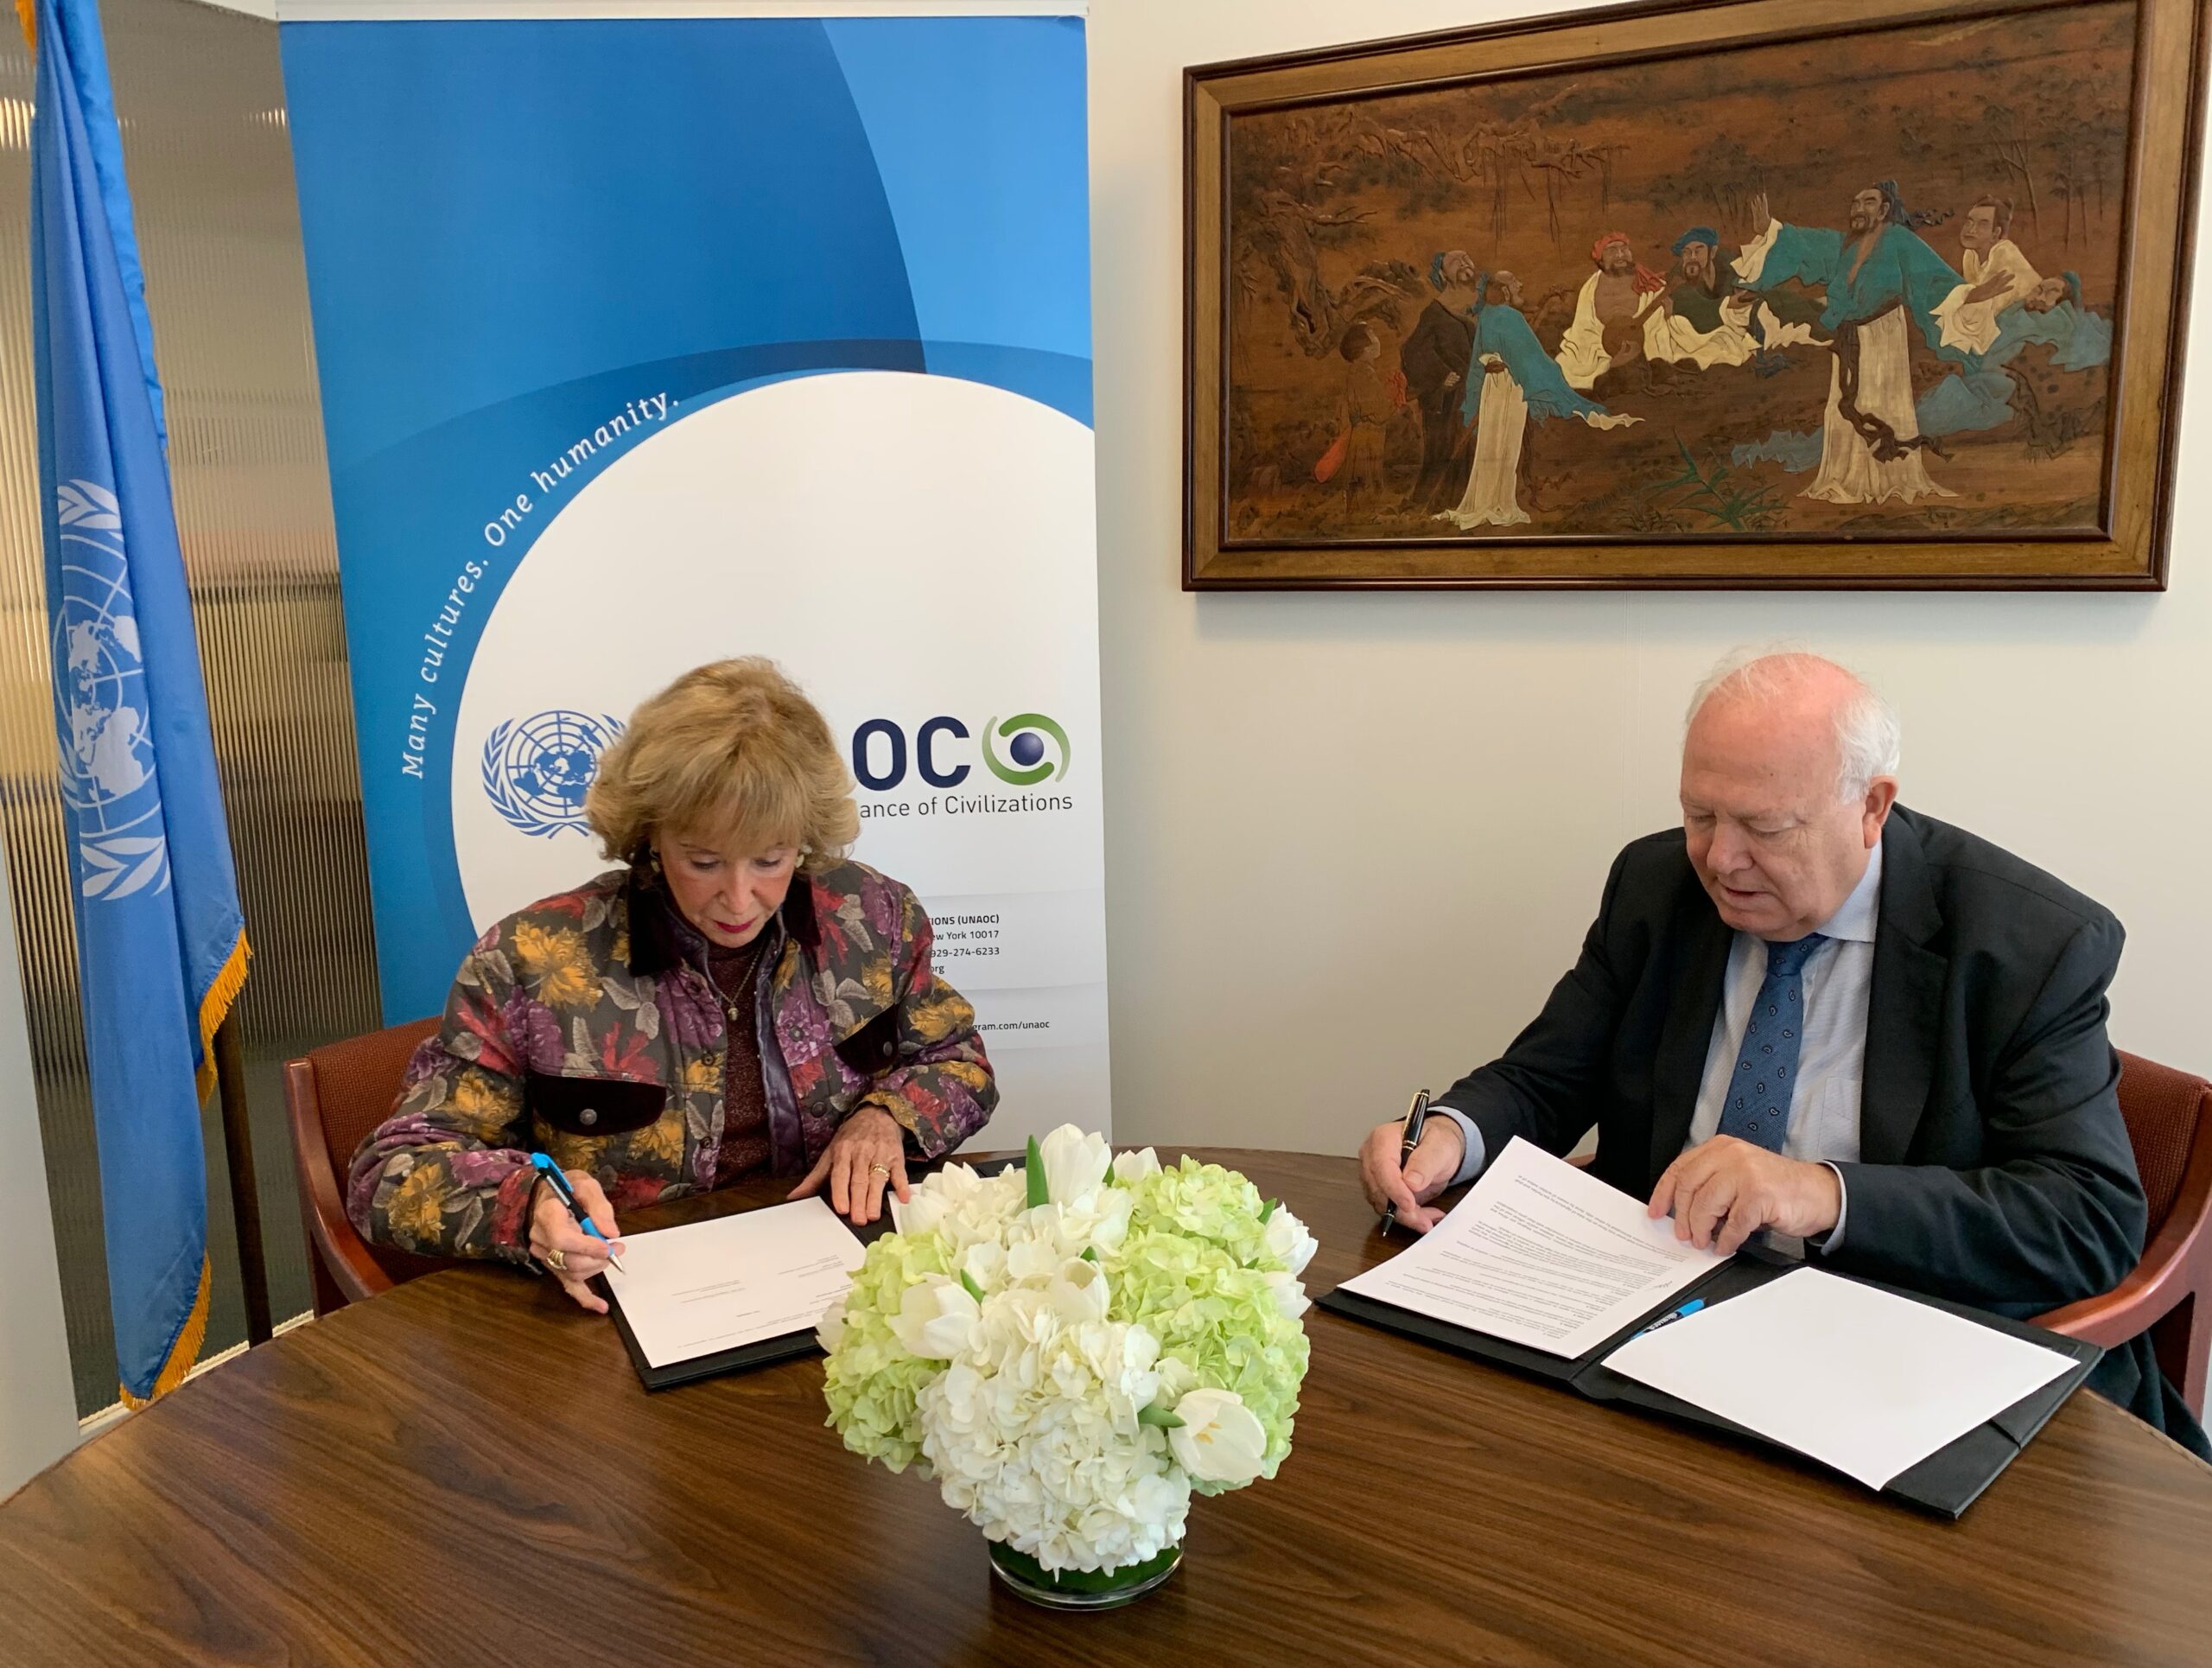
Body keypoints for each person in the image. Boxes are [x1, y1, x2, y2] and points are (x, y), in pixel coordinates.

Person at [1358, 651, 2206, 1456]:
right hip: (1657, 1327)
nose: (1719, 859)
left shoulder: (2027, 943)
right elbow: (1547, 1077)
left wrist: (1819, 1193)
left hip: (1899, 1354)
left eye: (1764, 826)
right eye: (1699, 815)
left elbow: (2086, 1221)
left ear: (1871, 808)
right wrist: (1451, 1135)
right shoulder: (1655, 886)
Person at [348, 658, 997, 1313]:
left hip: (838, 1281)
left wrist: (886, 1116)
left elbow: (958, 1060)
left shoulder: (871, 919)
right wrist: (527, 1203)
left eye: (770, 860)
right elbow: (390, 1175)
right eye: (704, 862)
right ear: (652, 838)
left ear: (804, 840)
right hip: (625, 1301)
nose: (739, 898)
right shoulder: (533, 960)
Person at [1734, 182, 1961, 506]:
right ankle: (1846, 476)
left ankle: (1891, 477)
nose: (1859, 208)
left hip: (1884, 334)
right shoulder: (1845, 245)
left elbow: (1936, 277)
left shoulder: (1898, 239)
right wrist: (1770, 228)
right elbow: (1804, 243)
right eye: (1855, 203)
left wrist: (1976, 295)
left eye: (1869, 202)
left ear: (1884, 210)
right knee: (1842, 405)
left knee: (1883, 401)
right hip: (1850, 335)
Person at [1436, 268, 1638, 530]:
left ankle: (1487, 501)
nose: (1520, 284)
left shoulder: (1487, 315)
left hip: (1492, 388)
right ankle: (1496, 503)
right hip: (1511, 385)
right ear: (1504, 290)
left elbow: (1487, 359)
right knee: (1504, 446)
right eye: (1514, 282)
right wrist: (1551, 376)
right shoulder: (1510, 317)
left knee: (1493, 445)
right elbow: (1530, 358)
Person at [1399, 251, 1478, 513]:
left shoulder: (1479, 307)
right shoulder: (1434, 312)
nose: (1464, 263)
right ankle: (1431, 503)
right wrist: (1441, 374)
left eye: (1466, 259)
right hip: (1447, 399)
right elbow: (1412, 351)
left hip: (1475, 393)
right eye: (1455, 262)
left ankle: (1465, 502)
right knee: (1444, 449)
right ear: (1443, 275)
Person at [1554, 231, 1668, 393]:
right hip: (1597, 348)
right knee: (1566, 366)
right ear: (1601, 258)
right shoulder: (1591, 287)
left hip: (1640, 342)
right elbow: (1583, 328)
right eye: (1612, 250)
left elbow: (1657, 324)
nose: (1620, 255)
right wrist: (1605, 347)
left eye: (1624, 249)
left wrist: (1667, 314)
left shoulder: (1646, 282)